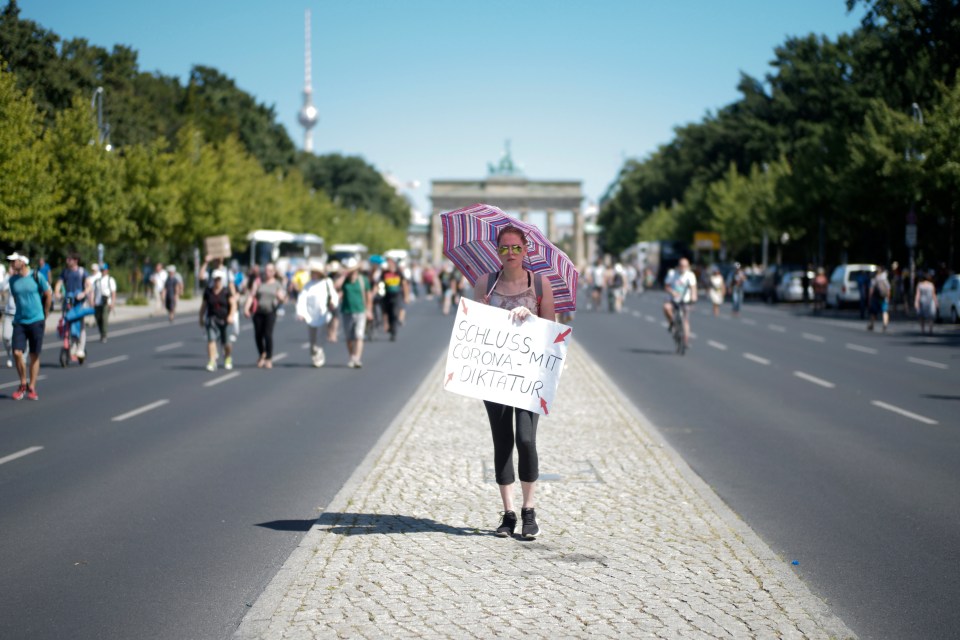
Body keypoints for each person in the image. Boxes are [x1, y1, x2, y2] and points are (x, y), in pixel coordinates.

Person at [473, 225, 556, 540]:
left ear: (526, 250)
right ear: (497, 251)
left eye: (516, 248)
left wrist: (530, 317)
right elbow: (476, 332)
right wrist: (480, 309)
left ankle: (529, 508)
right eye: (504, 248)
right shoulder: (485, 283)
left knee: (526, 438)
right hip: (494, 377)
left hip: (528, 377)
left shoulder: (539, 284)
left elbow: (552, 331)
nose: (510, 253)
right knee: (502, 441)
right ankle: (508, 513)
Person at [6, 253, 52, 400]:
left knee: (34, 355)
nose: (12, 263)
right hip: (20, 321)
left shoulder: (37, 276)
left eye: (15, 261)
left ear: (23, 262)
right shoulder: (12, 281)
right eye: (11, 261)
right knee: (17, 352)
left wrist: (45, 312)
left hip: (36, 320)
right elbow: (17, 298)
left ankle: (32, 386)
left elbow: (48, 293)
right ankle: (23, 383)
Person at [295, 261, 338, 367]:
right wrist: (300, 313)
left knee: (321, 336)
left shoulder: (327, 282)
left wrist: (333, 303)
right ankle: (315, 354)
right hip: (310, 315)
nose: (314, 274)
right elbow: (302, 299)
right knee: (312, 338)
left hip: (323, 314)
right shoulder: (308, 285)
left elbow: (333, 295)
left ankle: (319, 354)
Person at [244, 262, 286, 368]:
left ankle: (269, 358)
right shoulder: (258, 282)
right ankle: (262, 353)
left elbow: (283, 299)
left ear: (274, 272)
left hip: (270, 312)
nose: (268, 273)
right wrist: (246, 308)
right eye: (266, 270)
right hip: (258, 311)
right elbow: (251, 296)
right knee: (258, 335)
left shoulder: (277, 284)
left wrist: (280, 298)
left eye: (270, 271)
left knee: (268, 334)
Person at [334, 258, 373, 368]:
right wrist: (343, 276)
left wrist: (369, 310)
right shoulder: (345, 281)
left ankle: (357, 358)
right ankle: (352, 355)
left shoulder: (362, 280)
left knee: (359, 335)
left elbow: (368, 296)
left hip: (360, 310)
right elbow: (336, 286)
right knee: (349, 337)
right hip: (347, 310)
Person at [54, 253, 91, 360]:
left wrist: (83, 293)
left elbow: (89, 285)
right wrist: (57, 293)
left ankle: (81, 348)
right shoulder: (65, 272)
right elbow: (59, 284)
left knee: (81, 325)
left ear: (75, 260)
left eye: (69, 259)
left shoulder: (82, 271)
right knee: (67, 322)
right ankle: (71, 343)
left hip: (79, 302)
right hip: (68, 301)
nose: (67, 261)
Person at [199, 269, 237, 371]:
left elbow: (233, 304)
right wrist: (201, 318)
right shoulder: (208, 291)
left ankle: (228, 357)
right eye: (215, 279)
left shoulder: (226, 291)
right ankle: (212, 360)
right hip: (212, 319)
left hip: (225, 320)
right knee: (211, 340)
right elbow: (204, 306)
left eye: (219, 279)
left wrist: (231, 315)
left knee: (227, 343)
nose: (217, 281)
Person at [662, 257, 698, 348]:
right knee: (666, 307)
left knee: (685, 320)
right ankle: (672, 323)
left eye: (685, 266)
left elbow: (693, 288)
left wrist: (693, 297)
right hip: (672, 299)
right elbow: (666, 286)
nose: (683, 267)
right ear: (678, 266)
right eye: (681, 266)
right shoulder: (672, 274)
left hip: (685, 300)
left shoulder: (690, 275)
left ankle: (686, 340)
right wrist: (672, 292)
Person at [380, 258, 409, 341]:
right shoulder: (384, 273)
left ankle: (394, 331)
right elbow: (379, 283)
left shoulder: (398, 273)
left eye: (390, 263)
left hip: (397, 296)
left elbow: (404, 284)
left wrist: (406, 296)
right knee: (388, 313)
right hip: (386, 296)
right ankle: (389, 327)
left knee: (394, 313)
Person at [93, 263, 116, 342]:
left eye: (104, 270)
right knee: (98, 318)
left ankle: (104, 334)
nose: (103, 271)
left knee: (104, 318)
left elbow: (113, 292)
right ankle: (101, 333)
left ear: (107, 270)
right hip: (98, 302)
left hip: (107, 302)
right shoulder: (97, 281)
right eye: (102, 270)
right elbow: (94, 292)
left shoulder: (110, 279)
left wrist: (112, 303)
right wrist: (92, 301)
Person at [1, 265, 17, 368]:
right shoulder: (9, 279)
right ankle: (10, 354)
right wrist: (8, 277)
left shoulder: (22, 279)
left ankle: (18, 356)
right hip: (9, 313)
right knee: (6, 338)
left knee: (18, 339)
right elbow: (1, 287)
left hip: (20, 314)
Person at [867, 266, 891, 332]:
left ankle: (872, 324)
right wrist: (888, 297)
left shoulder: (874, 279)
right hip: (884, 297)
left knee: (873, 312)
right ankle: (885, 324)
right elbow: (888, 289)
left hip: (876, 298)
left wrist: (869, 298)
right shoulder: (885, 278)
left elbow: (871, 290)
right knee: (885, 311)